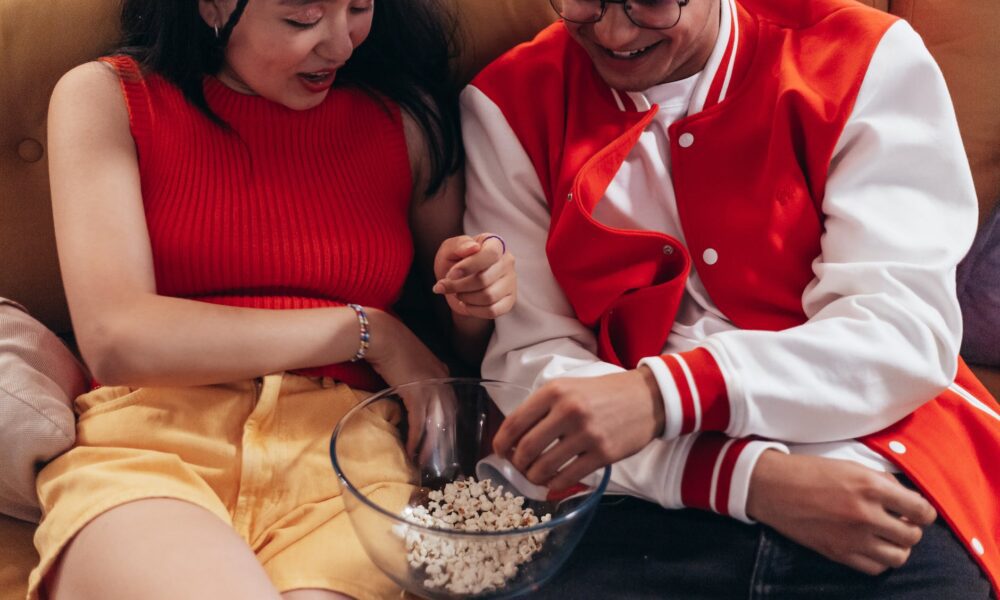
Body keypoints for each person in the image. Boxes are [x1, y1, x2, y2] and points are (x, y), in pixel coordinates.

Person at [462, 0, 999, 596]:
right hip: (634, 492)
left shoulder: (865, 56)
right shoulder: (508, 101)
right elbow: (528, 362)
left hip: (868, 465)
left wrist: (659, 394)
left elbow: (902, 329)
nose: (611, 32)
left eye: (652, 1)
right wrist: (738, 479)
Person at [31, 1, 516, 599]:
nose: (341, 44)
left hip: (350, 471)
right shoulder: (108, 96)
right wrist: (368, 331)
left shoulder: (408, 120)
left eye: (358, 7)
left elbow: (454, 347)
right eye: (303, 19)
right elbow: (118, 339)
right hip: (153, 448)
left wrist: (475, 297)